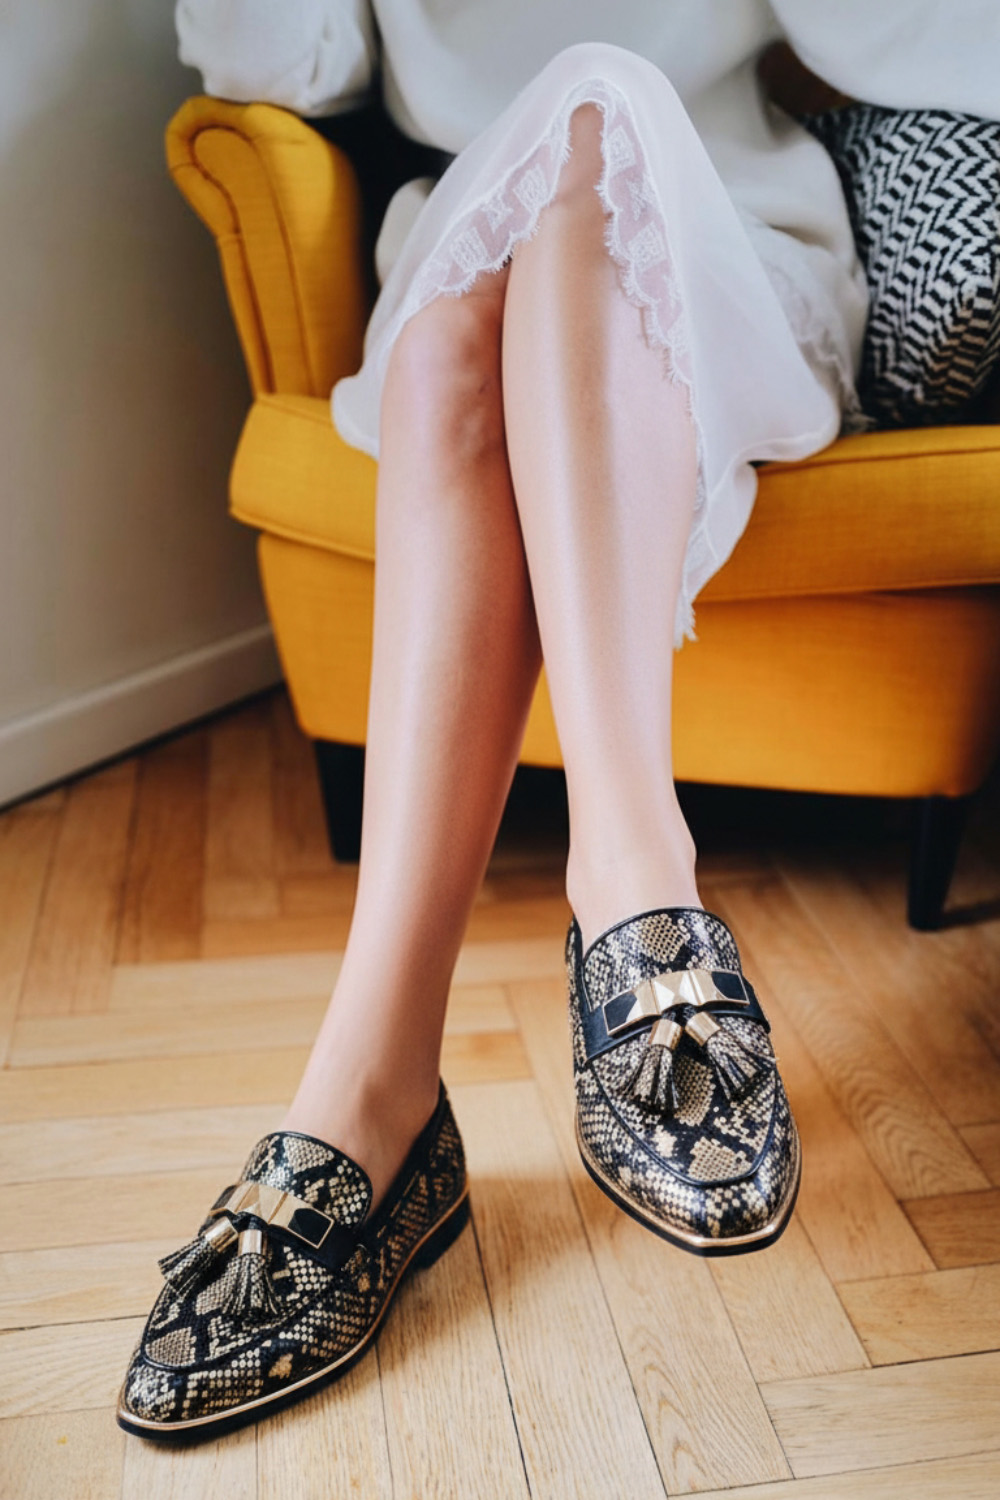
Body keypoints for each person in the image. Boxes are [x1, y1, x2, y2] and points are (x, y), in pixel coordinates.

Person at [117, 0, 997, 1439]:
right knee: (464, 326)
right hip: (471, 251)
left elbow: (917, 36)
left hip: (724, 251)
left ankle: (420, 1048)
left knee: (601, 108)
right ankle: (586, 932)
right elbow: (279, 63)